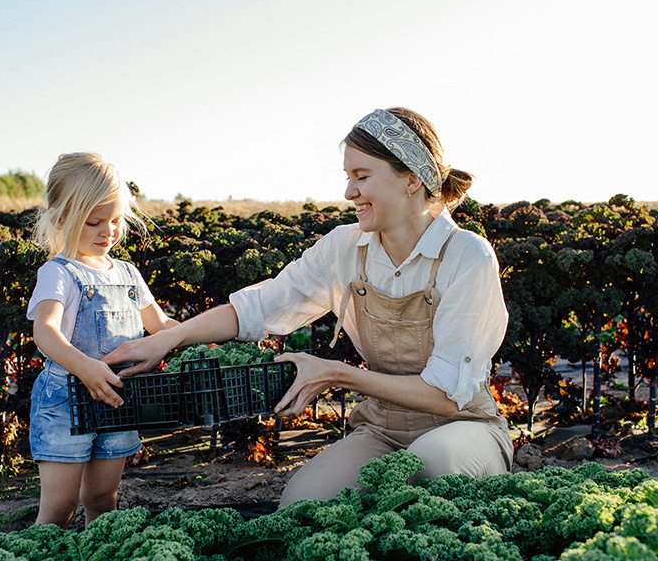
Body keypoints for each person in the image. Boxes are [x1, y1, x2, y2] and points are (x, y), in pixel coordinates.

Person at [103, 108, 512, 505]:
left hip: (462, 427)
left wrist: (335, 373)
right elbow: (259, 307)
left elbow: (445, 396)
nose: (349, 192)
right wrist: (169, 338)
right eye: (348, 177)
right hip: (383, 432)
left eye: (362, 176)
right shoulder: (344, 247)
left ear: (410, 178)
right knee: (303, 502)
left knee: (435, 464)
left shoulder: (467, 256)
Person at [26, 152, 177, 526]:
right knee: (59, 508)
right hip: (65, 403)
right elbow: (44, 330)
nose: (107, 232)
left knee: (101, 500)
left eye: (114, 221)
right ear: (62, 219)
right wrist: (86, 368)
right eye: (94, 222)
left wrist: (206, 335)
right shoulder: (58, 273)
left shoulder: (127, 273)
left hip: (117, 402)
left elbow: (159, 324)